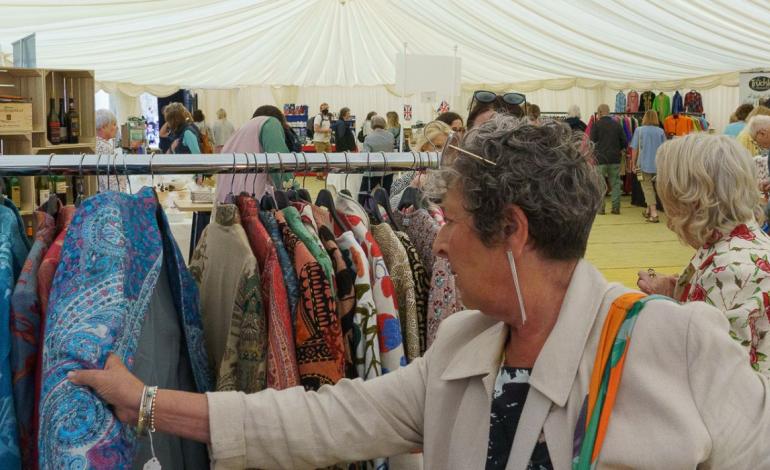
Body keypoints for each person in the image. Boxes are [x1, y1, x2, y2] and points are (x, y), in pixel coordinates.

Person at [69, 115, 770, 469]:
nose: (436, 242)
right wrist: (148, 403)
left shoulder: (682, 348)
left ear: (513, 230)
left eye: (455, 224)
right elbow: (318, 421)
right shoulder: (463, 351)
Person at [636, 133, 770, 376]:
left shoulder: (727, 270)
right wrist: (676, 292)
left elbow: (706, 377)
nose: (670, 222)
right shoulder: (744, 243)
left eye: (672, 207)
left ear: (694, 203)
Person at [213, 112, 289, 203]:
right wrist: (291, 190)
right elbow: (279, 164)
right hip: (251, 201)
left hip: (225, 199)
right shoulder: (271, 124)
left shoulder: (242, 129)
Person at [389, 120, 451, 209]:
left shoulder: (452, 178)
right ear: (424, 147)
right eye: (438, 146)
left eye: (447, 147)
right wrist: (412, 187)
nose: (443, 152)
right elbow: (392, 207)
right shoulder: (410, 176)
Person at [629, 110, 666, 223]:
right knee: (651, 189)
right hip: (658, 165)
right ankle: (648, 210)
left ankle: (654, 214)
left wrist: (633, 163)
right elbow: (665, 149)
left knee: (647, 189)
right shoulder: (660, 131)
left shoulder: (639, 130)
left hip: (642, 165)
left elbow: (635, 148)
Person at [590, 104, 627, 214]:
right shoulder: (617, 125)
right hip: (615, 159)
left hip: (600, 159)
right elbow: (624, 142)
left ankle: (601, 209)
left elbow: (592, 142)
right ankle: (615, 208)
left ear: (600, 112)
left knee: (600, 185)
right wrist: (618, 149)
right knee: (615, 184)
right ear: (608, 112)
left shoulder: (596, 125)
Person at [359, 115, 395, 193]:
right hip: (387, 170)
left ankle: (362, 205)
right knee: (386, 195)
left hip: (372, 172)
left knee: (363, 194)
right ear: (384, 124)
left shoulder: (368, 137)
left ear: (372, 125)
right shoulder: (391, 136)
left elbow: (366, 156)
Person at [95, 108, 127, 193]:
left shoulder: (96, 144)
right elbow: (111, 181)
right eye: (113, 124)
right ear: (103, 126)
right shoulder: (104, 148)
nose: (116, 127)